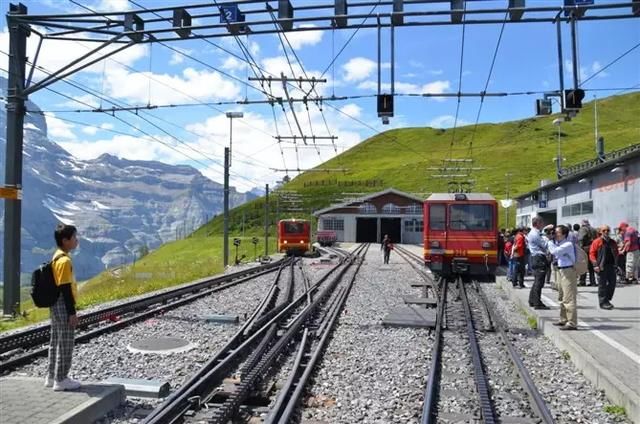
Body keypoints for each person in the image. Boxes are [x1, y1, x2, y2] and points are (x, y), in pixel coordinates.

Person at [46, 224, 81, 391]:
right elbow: (65, 287)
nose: (77, 240)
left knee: (55, 340)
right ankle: (61, 379)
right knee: (66, 341)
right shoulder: (65, 261)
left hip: (54, 304)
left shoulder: (56, 256)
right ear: (65, 240)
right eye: (74, 237)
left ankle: (51, 375)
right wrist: (72, 313)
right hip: (63, 303)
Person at [547, 225, 578, 330]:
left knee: (569, 297)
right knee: (561, 296)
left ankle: (572, 322)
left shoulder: (568, 244)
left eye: (557, 232)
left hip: (568, 271)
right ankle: (563, 319)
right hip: (560, 270)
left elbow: (555, 252)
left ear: (563, 234)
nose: (555, 234)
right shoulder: (559, 243)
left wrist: (550, 241)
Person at [589, 225, 619, 310]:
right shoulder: (597, 242)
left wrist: (617, 264)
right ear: (601, 232)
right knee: (602, 285)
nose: (606, 232)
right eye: (604, 230)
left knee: (612, 283)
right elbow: (592, 254)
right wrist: (595, 265)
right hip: (601, 266)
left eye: (608, 230)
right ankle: (603, 302)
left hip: (611, 266)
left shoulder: (613, 242)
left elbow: (616, 253)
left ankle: (607, 299)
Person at [527, 216, 550, 309]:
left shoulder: (535, 233)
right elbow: (544, 245)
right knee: (539, 282)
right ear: (537, 223)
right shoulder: (535, 234)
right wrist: (548, 238)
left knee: (537, 280)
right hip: (538, 258)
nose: (543, 224)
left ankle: (532, 300)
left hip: (536, 257)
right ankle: (537, 302)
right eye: (541, 223)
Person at [578, 219, 597, 286]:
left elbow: (581, 238)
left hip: (585, 249)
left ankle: (582, 281)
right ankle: (593, 282)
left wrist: (580, 248)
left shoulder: (583, 229)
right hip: (593, 248)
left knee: (584, 265)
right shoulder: (594, 229)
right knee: (591, 266)